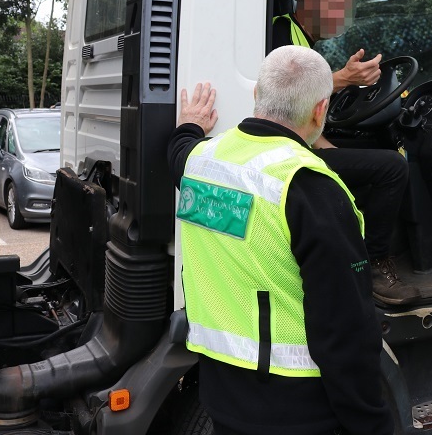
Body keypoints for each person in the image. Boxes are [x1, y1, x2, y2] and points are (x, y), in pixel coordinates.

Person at [168, 46, 394, 435]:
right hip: (300, 412)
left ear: (257, 94)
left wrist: (188, 125)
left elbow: (176, 152)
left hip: (222, 399)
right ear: (320, 110)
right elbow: (345, 331)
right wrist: (372, 423)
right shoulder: (310, 188)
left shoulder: (202, 162)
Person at [272, 0, 418, 304]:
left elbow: (306, 115)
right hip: (285, 153)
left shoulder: (306, 43)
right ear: (310, 2)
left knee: (366, 152)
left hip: (300, 144)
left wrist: (329, 148)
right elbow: (286, 98)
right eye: (336, 7)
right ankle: (374, 265)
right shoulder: (281, 34)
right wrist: (343, 79)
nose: (342, 17)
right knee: (393, 167)